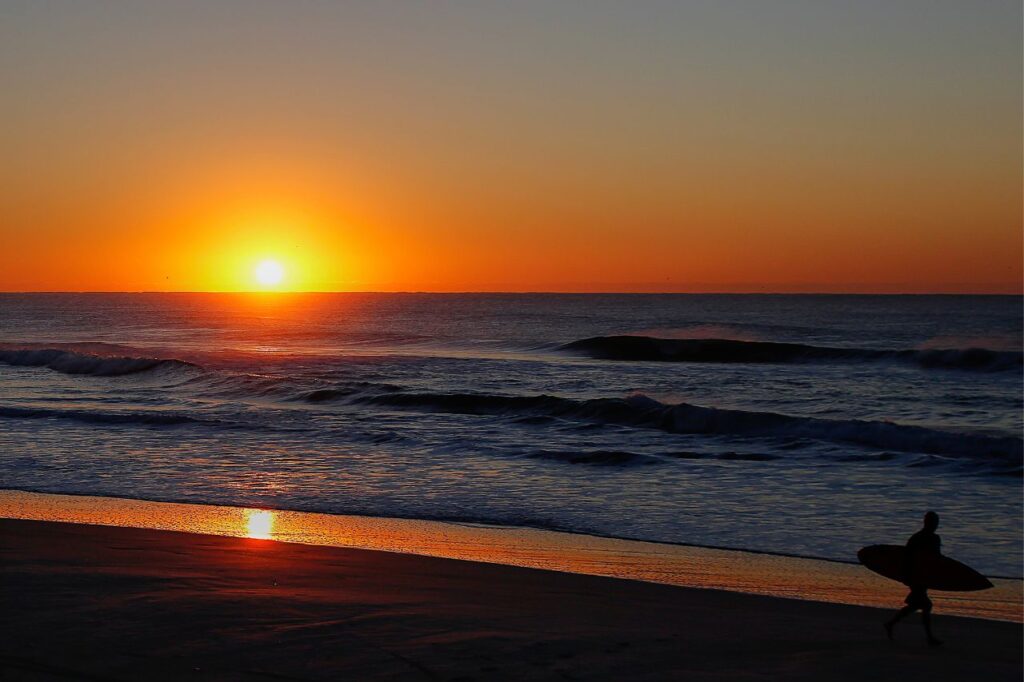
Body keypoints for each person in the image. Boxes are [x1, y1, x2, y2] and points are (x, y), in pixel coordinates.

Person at [884, 511, 943, 646]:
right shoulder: (918, 538)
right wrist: (906, 577)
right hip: (915, 576)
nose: (935, 525)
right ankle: (929, 638)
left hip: (924, 576)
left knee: (916, 605)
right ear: (927, 522)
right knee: (926, 605)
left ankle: (890, 623)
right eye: (933, 522)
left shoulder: (930, 538)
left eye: (936, 522)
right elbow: (906, 558)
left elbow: (937, 559)